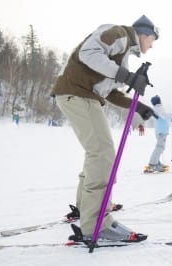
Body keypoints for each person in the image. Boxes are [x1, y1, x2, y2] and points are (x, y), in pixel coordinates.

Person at [50, 15, 159, 242]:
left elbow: (107, 91)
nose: (152, 45)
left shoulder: (123, 53)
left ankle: (85, 208)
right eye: (152, 40)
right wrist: (127, 76)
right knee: (102, 153)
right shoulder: (119, 34)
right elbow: (88, 54)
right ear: (144, 33)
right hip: (78, 93)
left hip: (81, 94)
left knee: (96, 154)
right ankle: (96, 224)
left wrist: (138, 106)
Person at [145, 95, 171, 172]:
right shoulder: (159, 108)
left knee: (160, 147)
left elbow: (162, 117)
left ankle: (156, 162)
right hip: (161, 131)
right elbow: (165, 116)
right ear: (159, 101)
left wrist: (170, 120)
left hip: (161, 131)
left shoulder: (157, 108)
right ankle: (153, 164)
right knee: (159, 147)